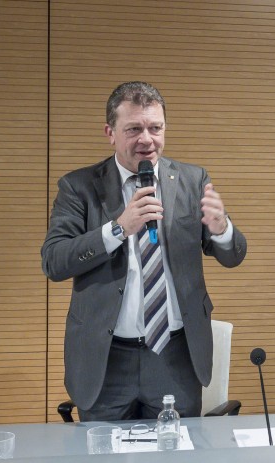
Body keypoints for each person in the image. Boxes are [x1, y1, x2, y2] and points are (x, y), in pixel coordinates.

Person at [42, 81, 247, 421]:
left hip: (175, 355)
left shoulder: (192, 180)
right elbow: (54, 260)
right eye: (134, 129)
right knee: (102, 453)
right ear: (110, 133)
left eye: (155, 128)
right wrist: (118, 228)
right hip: (106, 360)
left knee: (177, 450)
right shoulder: (78, 187)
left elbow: (233, 255)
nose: (147, 140)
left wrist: (221, 228)